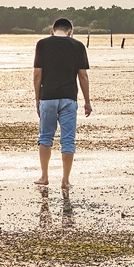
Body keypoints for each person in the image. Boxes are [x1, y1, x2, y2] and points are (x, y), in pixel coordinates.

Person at [33, 18, 92, 189]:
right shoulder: (78, 46)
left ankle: (44, 176)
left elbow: (37, 74)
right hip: (69, 97)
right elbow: (83, 76)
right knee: (68, 140)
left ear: (52, 32)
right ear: (70, 32)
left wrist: (37, 99)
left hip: (48, 97)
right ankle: (65, 180)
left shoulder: (42, 44)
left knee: (45, 137)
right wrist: (87, 101)